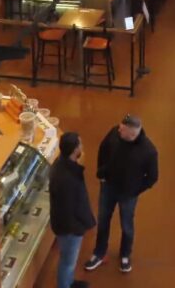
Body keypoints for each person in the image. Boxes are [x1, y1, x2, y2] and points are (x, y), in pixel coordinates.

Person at [85, 115, 159, 275]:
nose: (118, 130)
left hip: (128, 195)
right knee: (103, 219)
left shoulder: (149, 151)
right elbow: (103, 149)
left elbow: (153, 177)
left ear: (132, 134)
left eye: (122, 130)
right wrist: (102, 174)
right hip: (108, 187)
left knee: (127, 225)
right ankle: (99, 252)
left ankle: (125, 254)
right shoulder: (114, 133)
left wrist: (136, 190)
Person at [50, 132, 96, 288]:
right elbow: (72, 207)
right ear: (75, 150)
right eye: (80, 144)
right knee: (68, 261)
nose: (82, 147)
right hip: (70, 229)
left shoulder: (60, 165)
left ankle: (69, 282)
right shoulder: (68, 178)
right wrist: (83, 224)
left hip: (65, 225)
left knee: (68, 259)